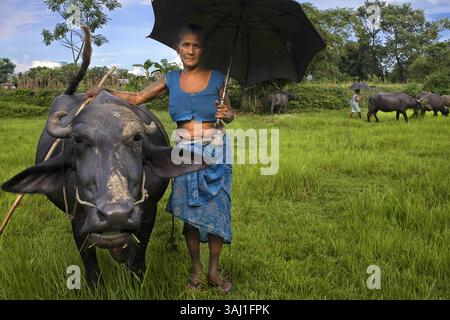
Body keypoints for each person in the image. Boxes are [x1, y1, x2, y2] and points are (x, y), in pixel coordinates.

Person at [86, 24, 235, 293]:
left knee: (217, 215)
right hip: (183, 152)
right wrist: (105, 92)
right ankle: (196, 273)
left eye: (196, 45)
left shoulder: (217, 78)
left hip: (216, 151)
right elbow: (138, 97)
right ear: (178, 49)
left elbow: (231, 113)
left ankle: (213, 272)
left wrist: (228, 113)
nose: (191, 50)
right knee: (190, 216)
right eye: (186, 45)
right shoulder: (170, 79)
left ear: (203, 49)